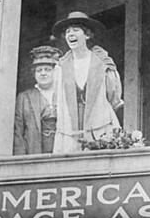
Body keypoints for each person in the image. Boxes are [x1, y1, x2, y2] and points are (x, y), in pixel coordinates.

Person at [51, 11, 124, 153]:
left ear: (87, 35)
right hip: (69, 128)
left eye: (75, 30)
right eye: (67, 31)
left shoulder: (103, 63)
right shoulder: (60, 67)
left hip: (99, 123)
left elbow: (113, 97)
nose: (70, 34)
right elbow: (57, 101)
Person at [13, 45, 63, 155]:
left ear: (55, 72)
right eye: (39, 70)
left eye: (48, 70)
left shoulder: (63, 95)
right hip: (34, 153)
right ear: (34, 74)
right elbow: (18, 132)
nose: (43, 73)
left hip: (61, 152)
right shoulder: (24, 98)